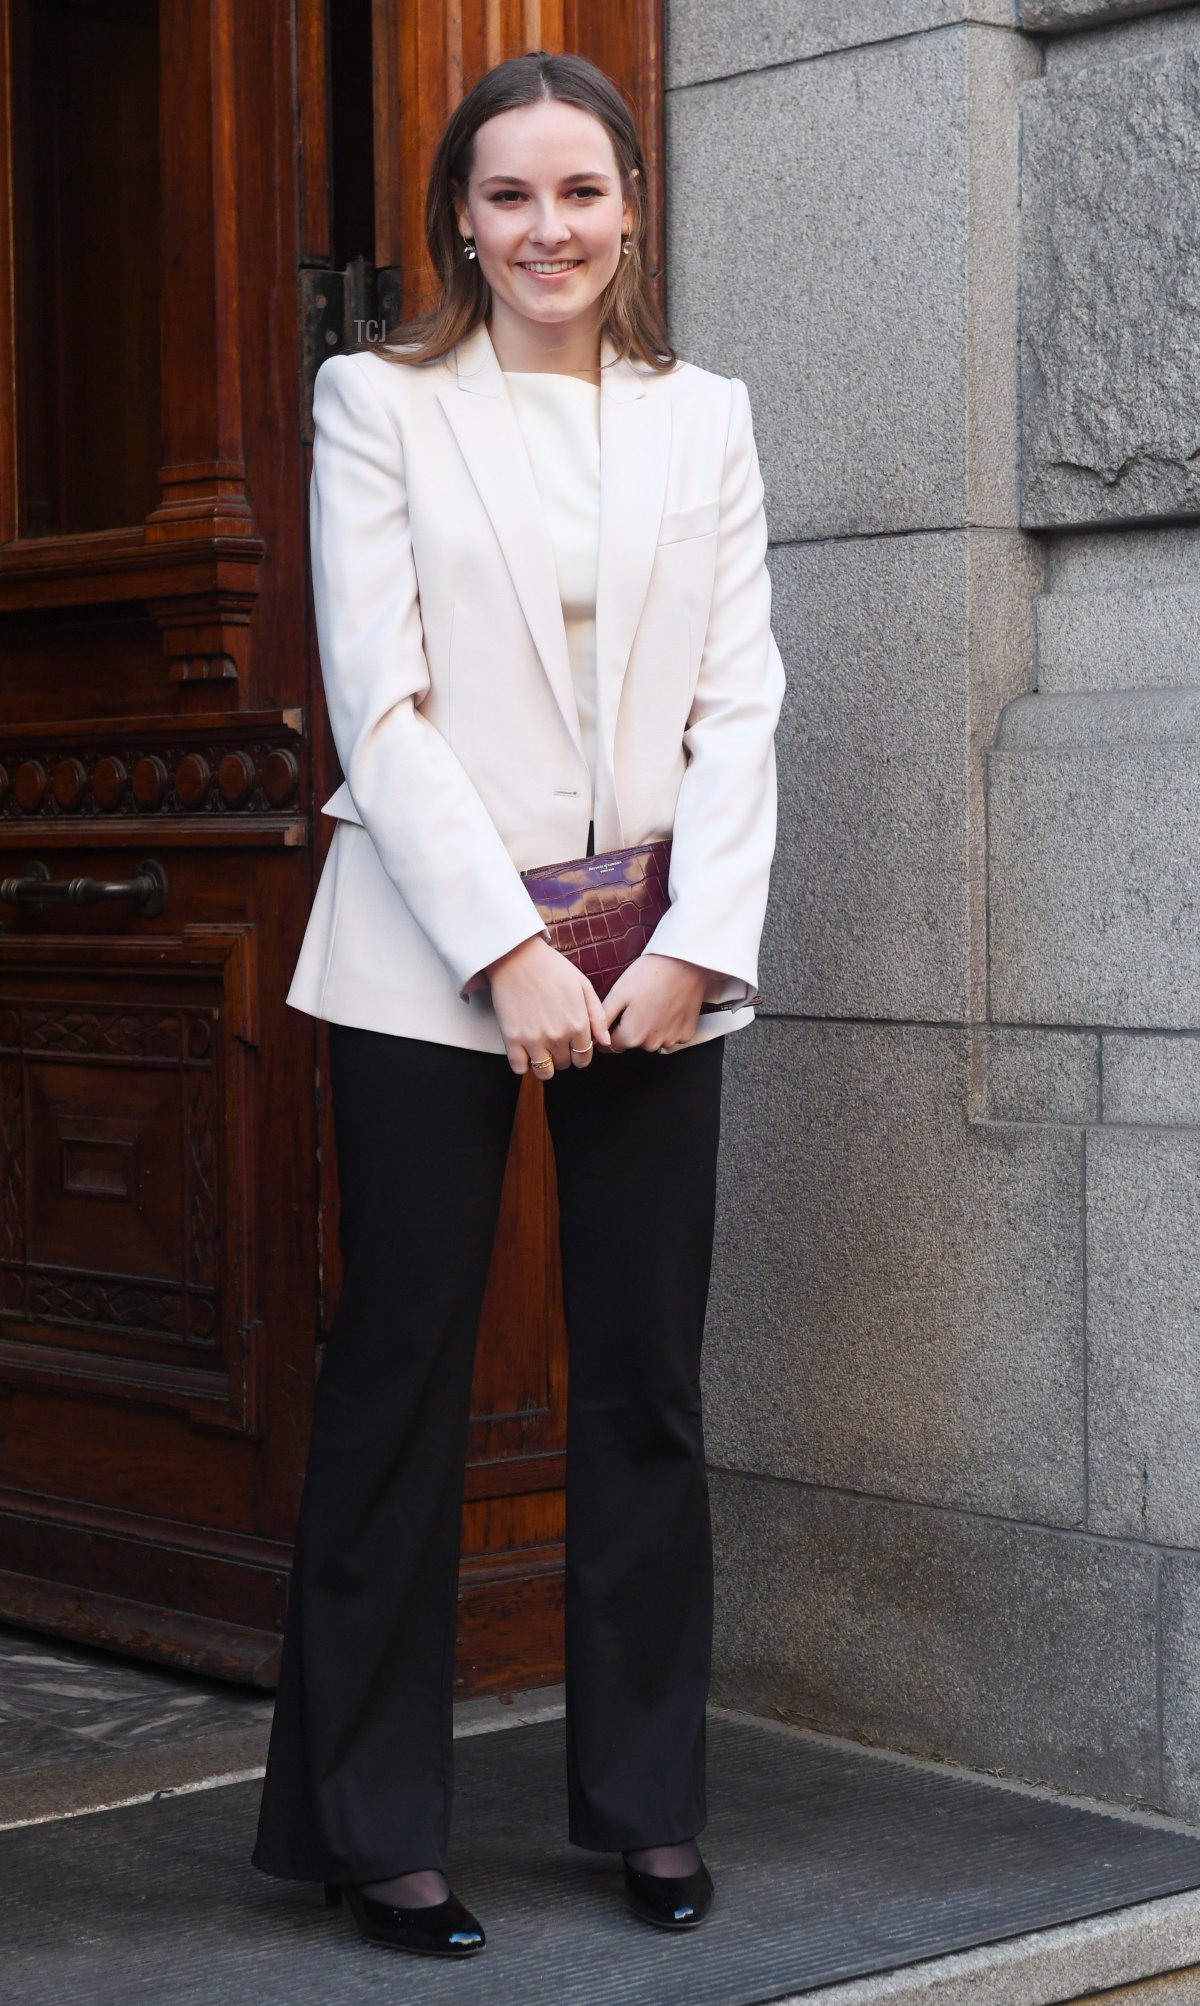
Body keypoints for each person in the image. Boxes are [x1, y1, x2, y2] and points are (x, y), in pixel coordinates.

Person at [250, 48, 785, 1960]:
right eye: (506, 197)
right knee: (400, 1376)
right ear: (457, 226)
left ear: (632, 206)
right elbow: (375, 702)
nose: (546, 228)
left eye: (579, 191)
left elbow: (744, 706)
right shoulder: (377, 403)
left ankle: (647, 1803)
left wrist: (687, 946)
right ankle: (369, 1825)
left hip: (658, 968)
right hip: (428, 956)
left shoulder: (704, 415)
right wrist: (509, 951)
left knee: (646, 1386)